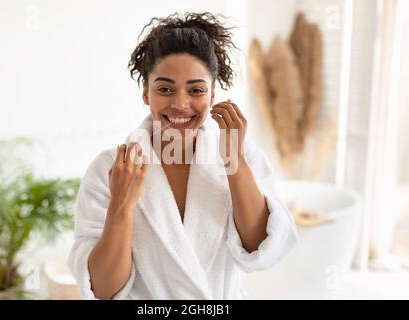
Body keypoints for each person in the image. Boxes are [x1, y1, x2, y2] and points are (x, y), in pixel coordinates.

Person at [68, 12, 297, 300]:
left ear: (212, 95)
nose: (180, 104)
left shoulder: (244, 156)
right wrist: (121, 207)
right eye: (164, 89)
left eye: (196, 90)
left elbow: (260, 251)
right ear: (145, 94)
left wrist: (234, 162)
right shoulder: (110, 168)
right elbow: (102, 290)